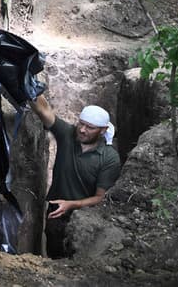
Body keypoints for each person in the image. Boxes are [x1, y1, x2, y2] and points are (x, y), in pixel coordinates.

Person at [29, 94, 121, 258]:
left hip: (85, 219)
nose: (82, 130)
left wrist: (71, 204)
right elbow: (44, 111)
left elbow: (102, 197)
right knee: (54, 258)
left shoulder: (109, 157)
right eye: (81, 124)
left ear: (103, 130)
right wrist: (26, 81)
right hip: (56, 212)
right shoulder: (68, 134)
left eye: (90, 127)